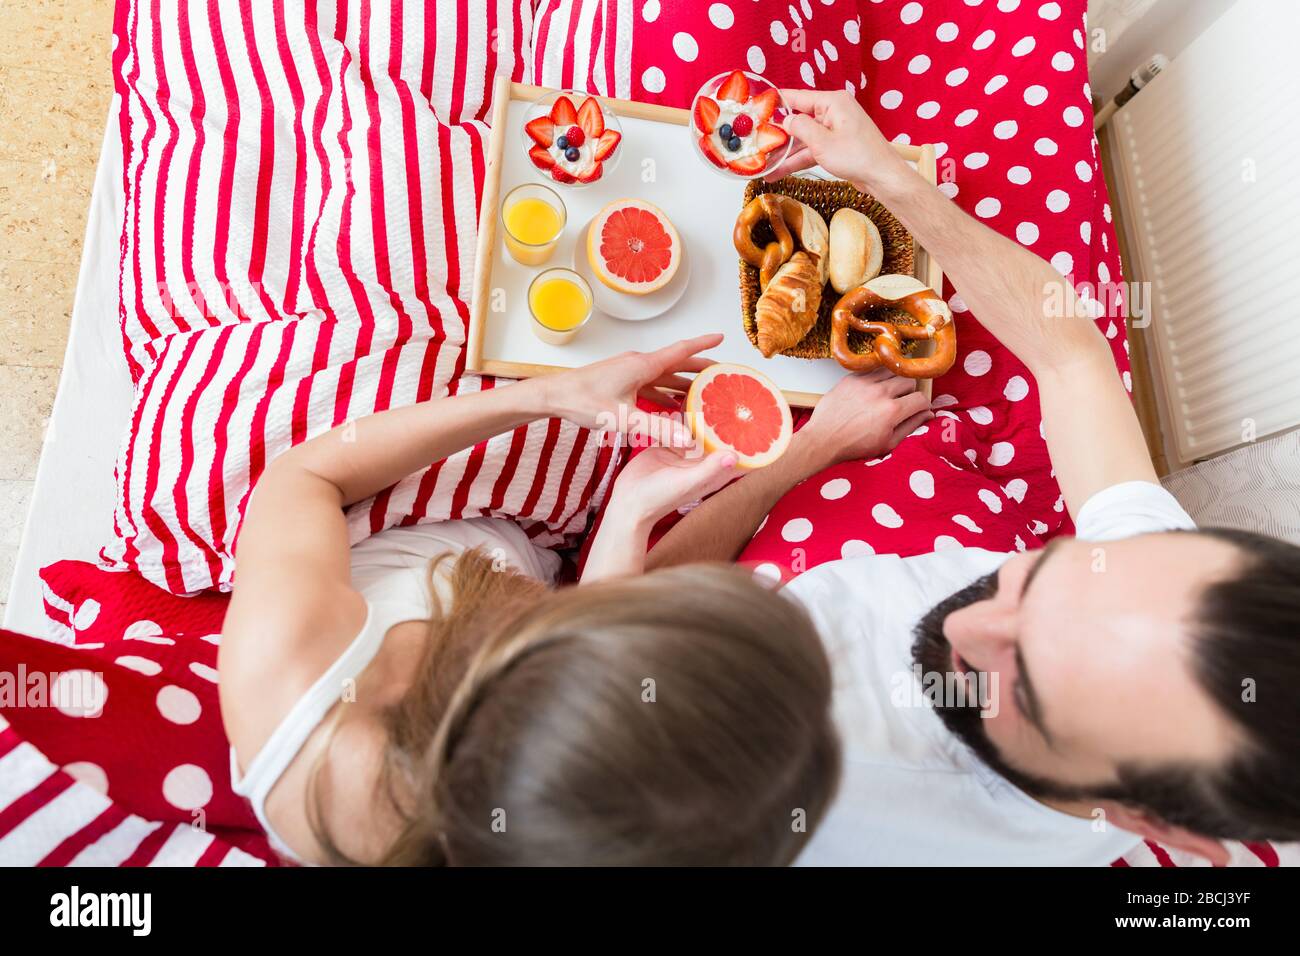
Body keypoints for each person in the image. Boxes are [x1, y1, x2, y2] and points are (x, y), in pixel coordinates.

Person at [647, 90, 1300, 865]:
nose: (966, 622)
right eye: (1046, 574)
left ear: (1157, 834)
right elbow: (1069, 355)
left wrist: (801, 454)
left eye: (1022, 688)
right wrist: (888, 176)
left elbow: (624, 610)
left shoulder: (772, 774)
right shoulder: (1161, 620)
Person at [218, 336, 929, 866]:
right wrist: (814, 450)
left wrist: (545, 395)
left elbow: (306, 473)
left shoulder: (287, 672)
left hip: (402, 522)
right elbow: (604, 626)